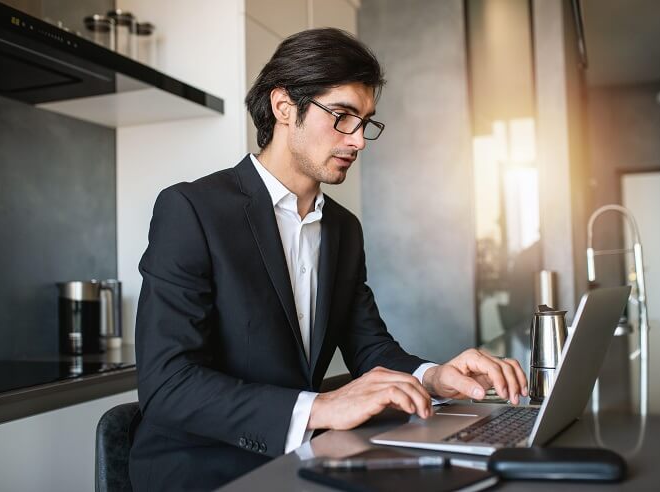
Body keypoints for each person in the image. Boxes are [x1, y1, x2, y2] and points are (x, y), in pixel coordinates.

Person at [129, 28, 527, 491]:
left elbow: (369, 347)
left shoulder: (343, 228)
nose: (358, 141)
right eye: (342, 117)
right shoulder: (192, 210)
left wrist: (436, 377)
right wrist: (321, 407)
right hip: (201, 472)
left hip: (306, 461)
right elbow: (167, 385)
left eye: (366, 122)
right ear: (283, 107)